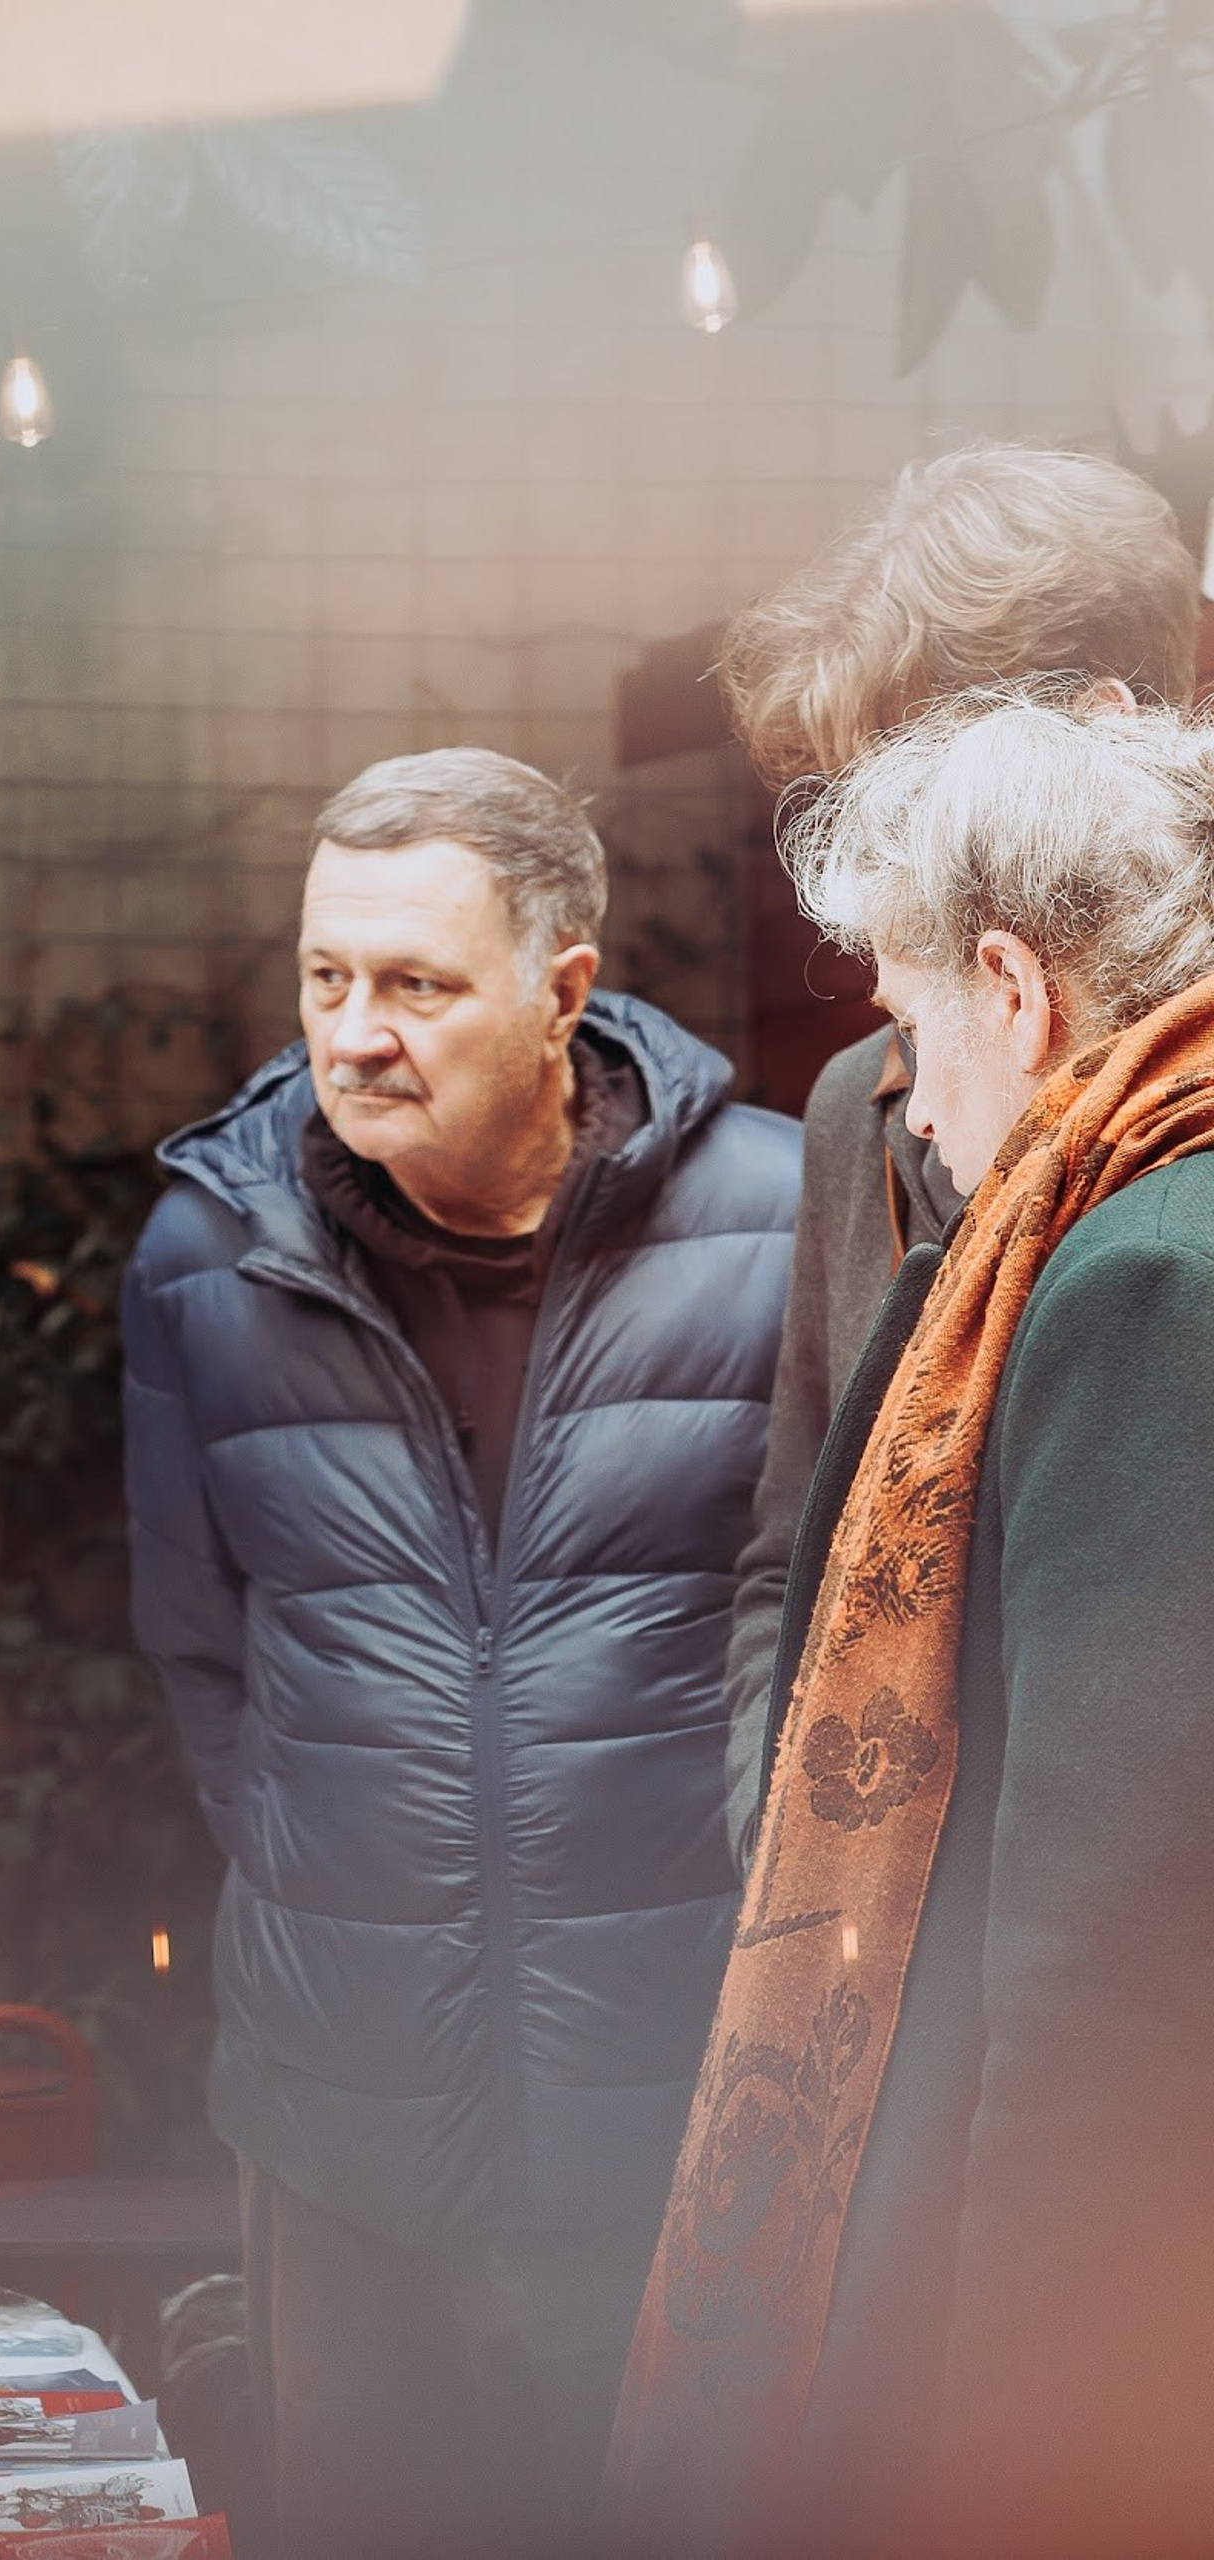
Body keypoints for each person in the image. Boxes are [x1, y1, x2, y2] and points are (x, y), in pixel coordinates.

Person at [121, 749, 798, 2556]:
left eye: (417, 985)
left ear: (562, 992)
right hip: (339, 2121)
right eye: (325, 976)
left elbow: (838, 1631)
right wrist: (346, 1885)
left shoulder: (786, 1223)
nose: (355, 1035)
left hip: (683, 2104)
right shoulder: (205, 1256)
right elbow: (203, 1655)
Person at [604, 691, 1214, 2557]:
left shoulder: (1151, 1282)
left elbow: (1112, 1968)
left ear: (1013, 990)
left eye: (906, 1025)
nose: (916, 1102)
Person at [714, 442, 1200, 1861]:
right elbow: (788, 1553)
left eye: (904, 783)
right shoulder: (858, 1105)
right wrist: (785, 1852)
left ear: (1101, 732)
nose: (867, 857)